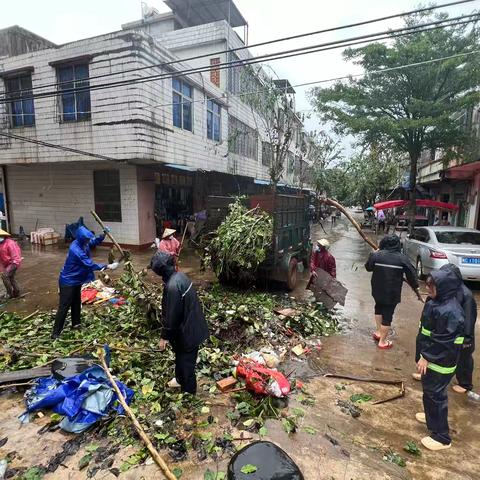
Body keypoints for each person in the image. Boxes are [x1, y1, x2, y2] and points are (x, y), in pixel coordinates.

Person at [415, 270, 464, 451]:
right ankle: (431, 418)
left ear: (443, 288)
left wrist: (427, 356)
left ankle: (442, 436)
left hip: (440, 361)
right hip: (430, 357)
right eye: (427, 285)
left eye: (431, 286)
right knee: (429, 392)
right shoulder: (436, 302)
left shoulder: (452, 312)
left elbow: (444, 340)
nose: (427, 289)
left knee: (436, 396)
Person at [150, 251, 209, 394]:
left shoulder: (173, 287)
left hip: (189, 331)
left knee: (186, 362)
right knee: (180, 356)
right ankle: (179, 379)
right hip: (188, 325)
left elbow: (172, 317)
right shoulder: (179, 276)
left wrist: (164, 337)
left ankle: (189, 391)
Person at [52, 226, 118, 338]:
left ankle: (76, 324)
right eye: (86, 240)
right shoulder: (76, 250)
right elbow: (90, 264)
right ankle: (55, 333)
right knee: (64, 306)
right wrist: (107, 266)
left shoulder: (84, 243)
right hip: (68, 281)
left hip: (77, 280)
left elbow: (94, 242)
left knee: (76, 303)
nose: (88, 241)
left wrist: (103, 234)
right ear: (82, 239)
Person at [365, 234, 420, 349]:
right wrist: (416, 287)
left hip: (377, 289)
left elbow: (368, 267)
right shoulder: (402, 258)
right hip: (392, 292)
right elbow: (411, 274)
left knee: (378, 308)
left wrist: (373, 254)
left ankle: (379, 332)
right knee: (388, 315)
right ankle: (382, 341)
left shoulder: (377, 255)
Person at [0, 229, 22, 299]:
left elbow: (15, 255)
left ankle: (10, 293)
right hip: (7, 264)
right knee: (11, 277)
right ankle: (17, 291)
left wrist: (14, 263)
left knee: (4, 276)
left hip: (14, 262)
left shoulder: (10, 243)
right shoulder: (1, 244)